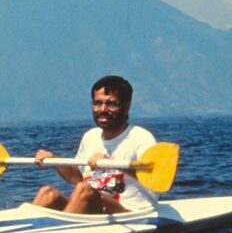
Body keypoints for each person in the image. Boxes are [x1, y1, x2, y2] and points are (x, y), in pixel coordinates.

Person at [32, 75, 159, 214]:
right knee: (47, 194)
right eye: (97, 103)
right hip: (94, 207)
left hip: (130, 213)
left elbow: (155, 177)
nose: (103, 109)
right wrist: (53, 159)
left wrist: (111, 163)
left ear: (126, 107)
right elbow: (77, 177)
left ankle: (67, 232)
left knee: (84, 190)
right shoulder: (90, 136)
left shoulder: (141, 137)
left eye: (111, 103)